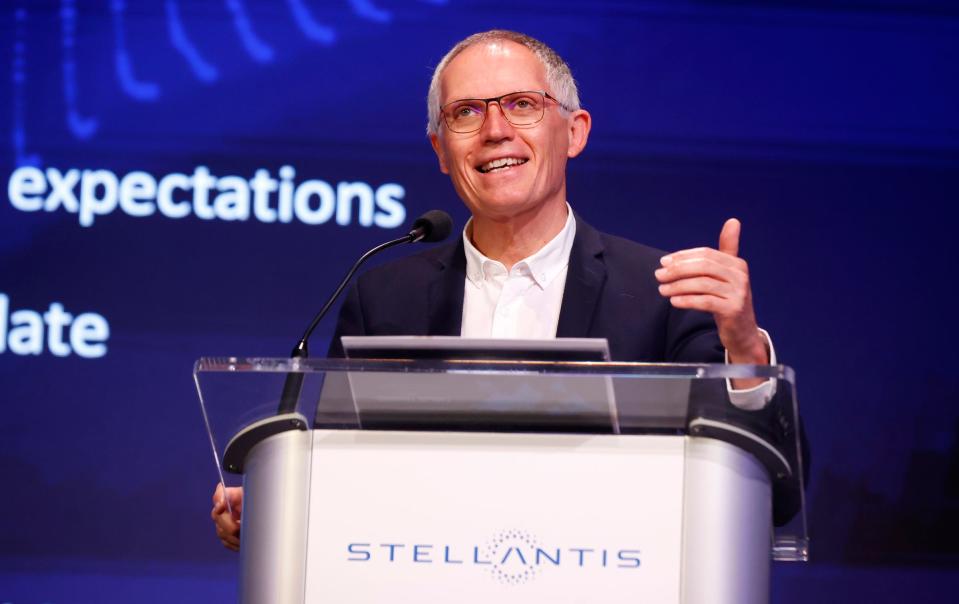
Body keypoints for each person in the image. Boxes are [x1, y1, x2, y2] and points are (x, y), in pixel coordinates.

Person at [212, 30, 777, 551]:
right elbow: (350, 476)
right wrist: (284, 500)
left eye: (522, 104)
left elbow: (768, 497)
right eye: (465, 113)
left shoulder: (664, 292)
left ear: (575, 131)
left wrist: (747, 355)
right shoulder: (384, 299)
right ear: (439, 148)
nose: (495, 131)